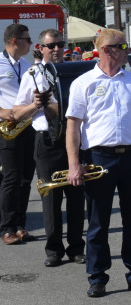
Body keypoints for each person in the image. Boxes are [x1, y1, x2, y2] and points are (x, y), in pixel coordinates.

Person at [66, 29, 131, 298]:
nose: (127, 50)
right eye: (123, 45)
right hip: (98, 157)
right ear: (107, 49)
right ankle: (97, 276)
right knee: (98, 222)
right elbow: (73, 127)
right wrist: (75, 164)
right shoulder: (83, 83)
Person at [13, 29, 84, 266]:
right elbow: (17, 113)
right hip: (47, 140)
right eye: (51, 45)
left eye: (60, 45)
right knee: (51, 196)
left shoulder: (75, 72)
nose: (56, 49)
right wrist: (35, 105)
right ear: (40, 49)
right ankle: (54, 250)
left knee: (76, 196)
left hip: (74, 139)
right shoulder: (32, 75)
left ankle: (76, 248)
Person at [0, 24, 37, 245]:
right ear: (15, 41)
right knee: (11, 179)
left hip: (28, 126)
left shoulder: (27, 65)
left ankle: (20, 225)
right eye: (27, 39)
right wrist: (2, 112)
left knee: (25, 179)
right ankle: (7, 228)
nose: (31, 43)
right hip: (7, 129)